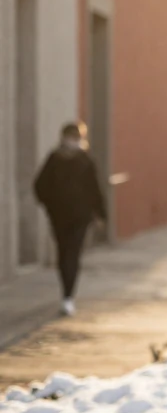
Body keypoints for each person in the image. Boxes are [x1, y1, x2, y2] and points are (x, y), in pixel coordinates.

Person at [34, 122, 108, 317]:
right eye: (70, 137)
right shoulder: (54, 159)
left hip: (80, 217)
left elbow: (96, 189)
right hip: (59, 216)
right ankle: (66, 293)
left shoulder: (85, 160)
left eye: (77, 137)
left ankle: (68, 297)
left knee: (72, 254)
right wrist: (50, 205)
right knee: (63, 253)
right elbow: (40, 185)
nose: (73, 141)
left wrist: (101, 214)